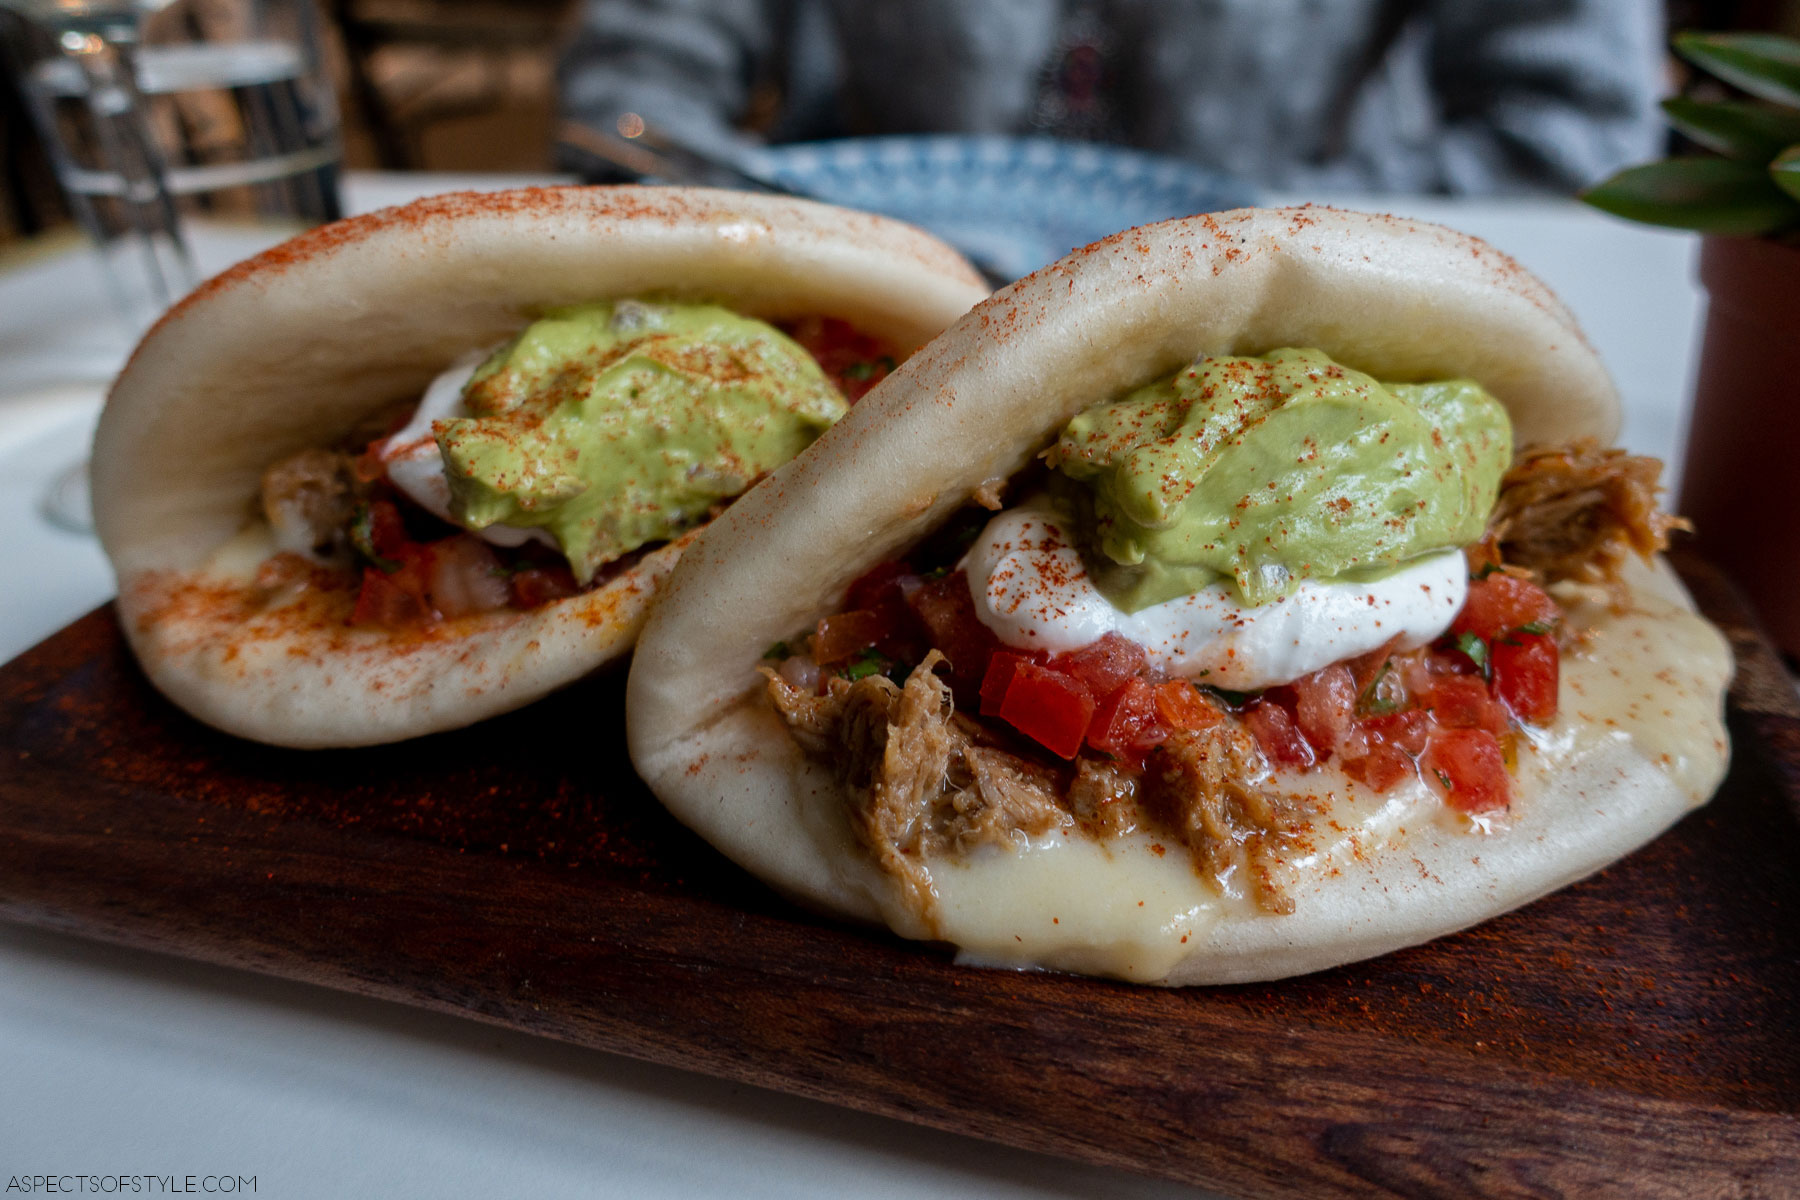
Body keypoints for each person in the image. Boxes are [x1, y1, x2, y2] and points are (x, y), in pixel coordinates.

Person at [558, 0, 1667, 195]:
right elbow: (632, 87)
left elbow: (1580, 133)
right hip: (889, 324)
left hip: (1285, 278)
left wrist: (1261, 223)